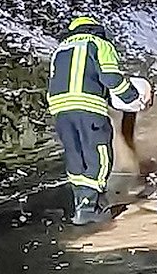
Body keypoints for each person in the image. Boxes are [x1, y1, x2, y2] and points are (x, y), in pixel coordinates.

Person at [46, 16, 149, 225]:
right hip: (88, 108)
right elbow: (111, 77)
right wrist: (132, 97)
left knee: (76, 156)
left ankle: (81, 204)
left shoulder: (60, 49)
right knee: (99, 155)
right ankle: (89, 208)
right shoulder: (98, 44)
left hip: (61, 111)